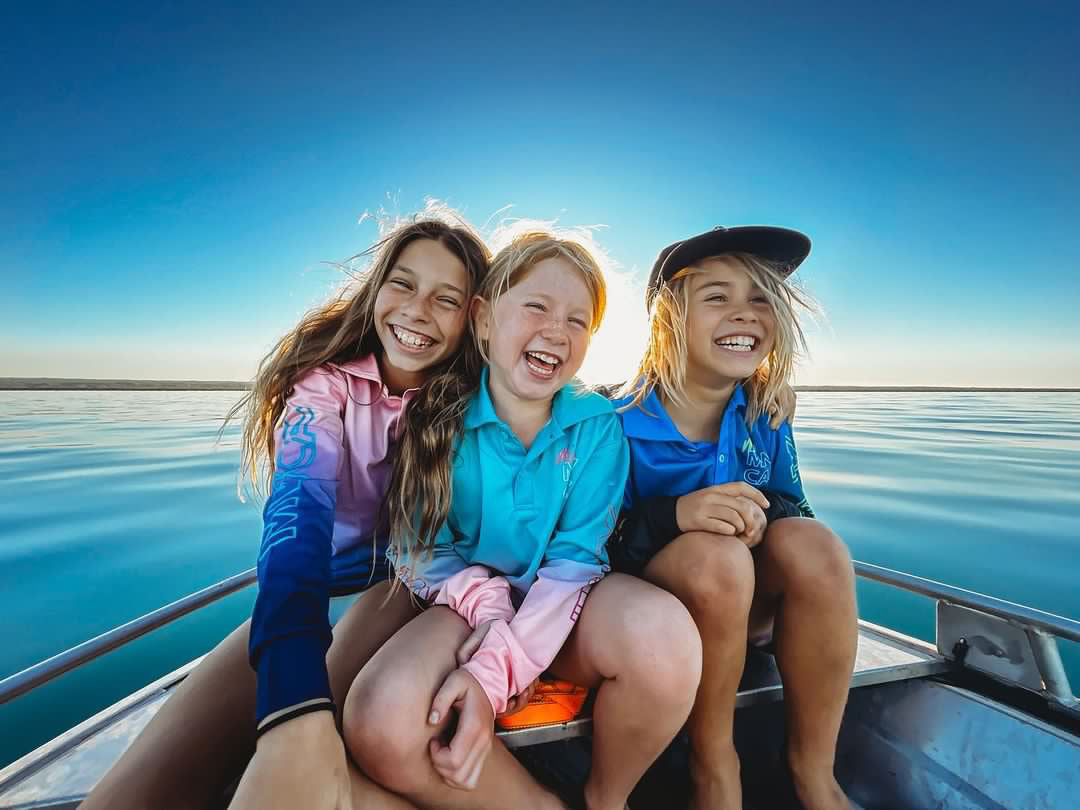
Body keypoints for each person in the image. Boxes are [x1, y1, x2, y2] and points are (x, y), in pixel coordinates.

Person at [81, 211, 491, 810]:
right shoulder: (321, 389)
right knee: (135, 791)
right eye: (402, 284)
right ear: (376, 289)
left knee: (319, 757)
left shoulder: (480, 406)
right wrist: (290, 704)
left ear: (472, 317)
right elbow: (296, 517)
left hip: (416, 590)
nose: (417, 309)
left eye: (446, 298)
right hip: (318, 590)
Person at [342, 231, 703, 810]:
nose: (556, 330)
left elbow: (573, 564)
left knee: (665, 642)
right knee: (382, 719)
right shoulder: (435, 419)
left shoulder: (595, 427)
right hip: (461, 608)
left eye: (578, 321)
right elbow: (417, 547)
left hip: (567, 611)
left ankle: (607, 798)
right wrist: (487, 610)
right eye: (535, 306)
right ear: (483, 320)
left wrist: (491, 675)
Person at [611, 226, 857, 810]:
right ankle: (713, 763)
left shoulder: (765, 412)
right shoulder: (613, 419)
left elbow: (791, 506)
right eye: (717, 297)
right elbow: (591, 549)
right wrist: (679, 515)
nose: (744, 314)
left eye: (760, 298)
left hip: (744, 618)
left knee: (816, 544)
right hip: (650, 619)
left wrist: (761, 517)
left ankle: (813, 770)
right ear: (671, 319)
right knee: (714, 556)